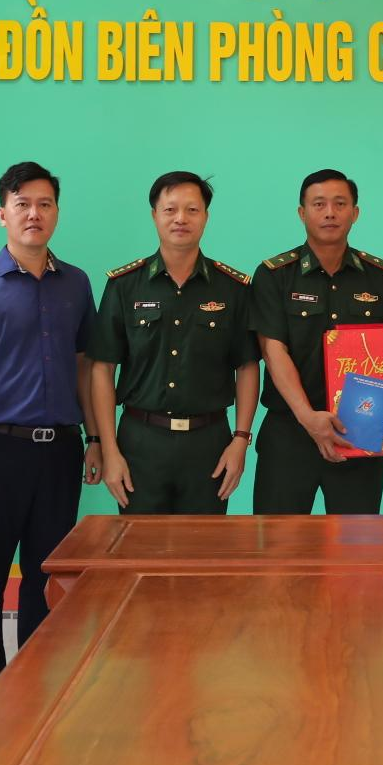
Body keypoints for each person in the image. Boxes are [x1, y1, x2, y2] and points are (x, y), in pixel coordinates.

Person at [0, 162, 103, 704]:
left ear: (57, 212)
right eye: (22, 204)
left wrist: (95, 439)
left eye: (45, 204)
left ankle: (40, 685)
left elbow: (83, 368)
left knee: (47, 577)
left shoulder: (76, 283)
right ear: (2, 214)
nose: (34, 214)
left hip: (59, 452)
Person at [88, 171, 260, 514]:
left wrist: (240, 440)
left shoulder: (232, 288)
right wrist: (110, 449)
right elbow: (102, 369)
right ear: (155, 215)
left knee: (202, 545)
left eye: (192, 210)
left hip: (210, 443)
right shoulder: (125, 285)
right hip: (140, 441)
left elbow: (247, 366)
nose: (181, 218)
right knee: (139, 544)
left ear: (205, 217)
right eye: (170, 209)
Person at [249, 169, 383, 515]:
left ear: (355, 212)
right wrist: (308, 418)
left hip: (359, 430)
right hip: (290, 431)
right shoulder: (274, 275)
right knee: (279, 542)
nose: (330, 213)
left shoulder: (380, 278)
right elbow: (272, 350)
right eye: (319, 204)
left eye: (340, 204)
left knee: (357, 543)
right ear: (302, 213)